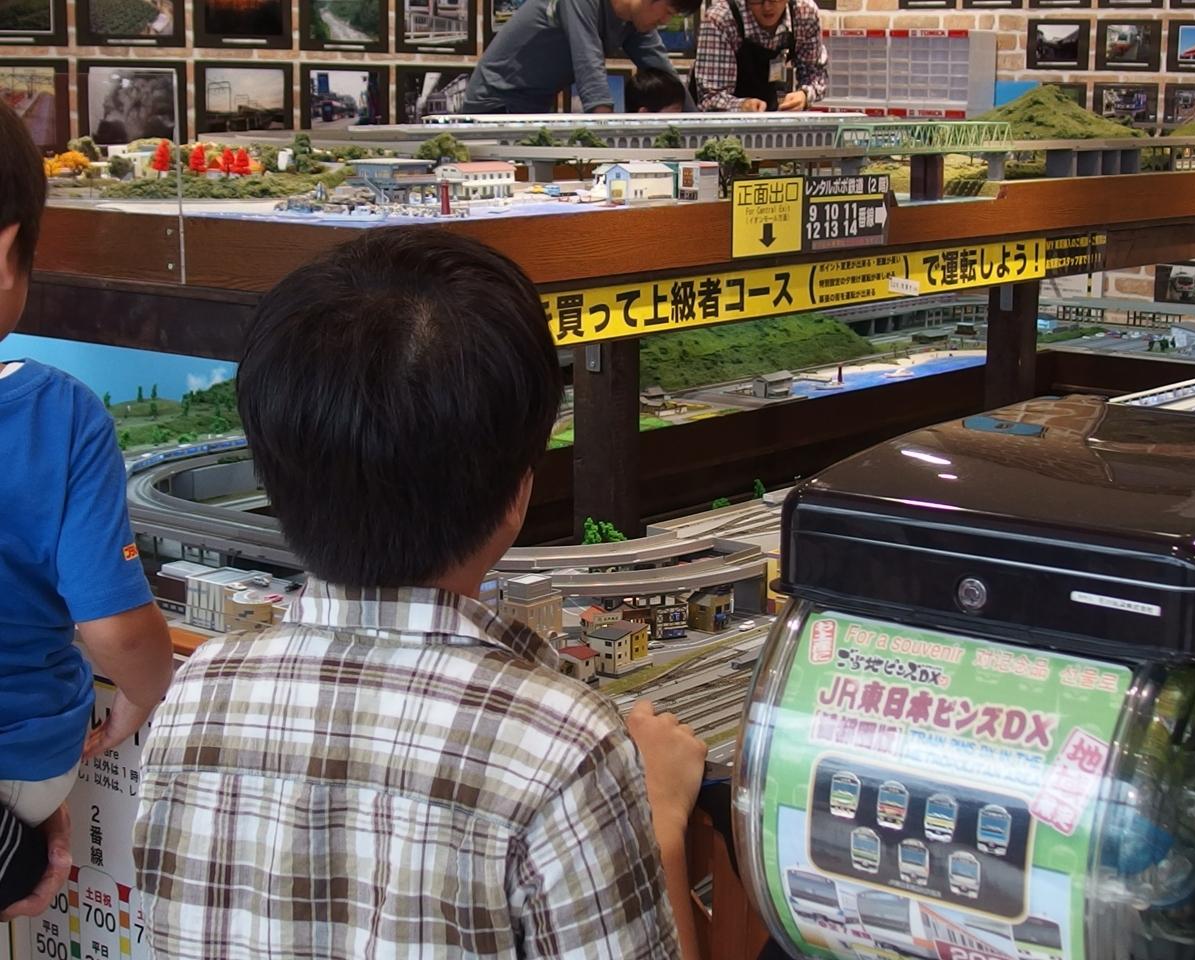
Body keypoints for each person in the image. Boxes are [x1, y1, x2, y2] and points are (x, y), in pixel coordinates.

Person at [133, 227, 708, 959]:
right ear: (518, 493)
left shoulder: (196, 694)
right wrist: (660, 820)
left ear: (272, 481)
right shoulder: (563, 748)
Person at [0, 99, 173, 917]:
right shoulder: (56, 414)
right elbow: (116, 631)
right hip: (22, 759)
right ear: (7, 252)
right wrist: (144, 690)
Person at [462, 0, 697, 114]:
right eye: (668, 12)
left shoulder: (633, 22)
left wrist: (700, 131)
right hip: (495, 103)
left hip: (534, 108)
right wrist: (609, 141)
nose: (665, 21)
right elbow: (589, 66)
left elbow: (663, 69)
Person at [691, 0, 828, 112]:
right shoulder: (721, 19)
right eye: (757, 0)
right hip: (720, 125)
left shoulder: (804, 14)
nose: (767, 7)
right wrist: (742, 106)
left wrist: (804, 95)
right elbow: (710, 98)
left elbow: (815, 74)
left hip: (769, 116)